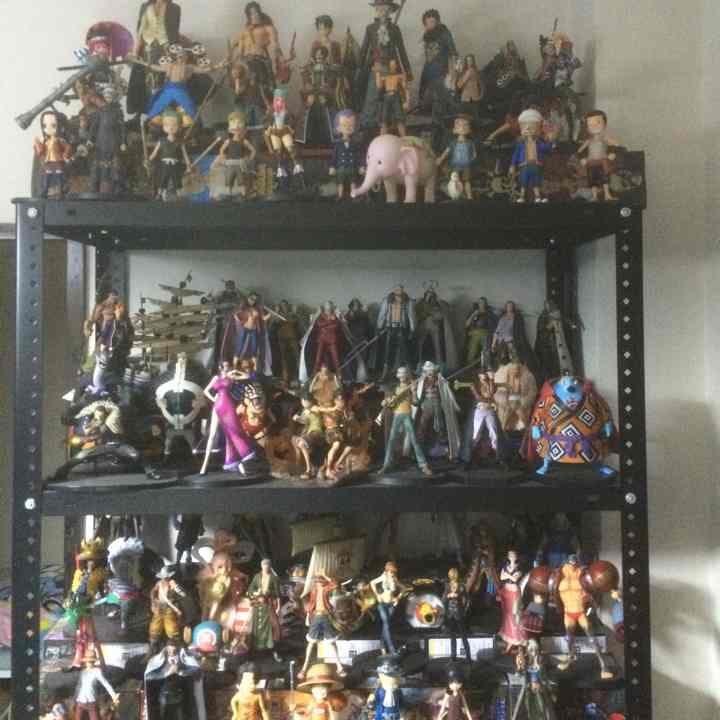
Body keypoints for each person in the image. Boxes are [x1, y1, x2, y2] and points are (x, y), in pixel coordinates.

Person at [356, 0, 412, 130]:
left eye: (386, 9)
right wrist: (359, 68)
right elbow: (364, 49)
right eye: (380, 9)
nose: (383, 12)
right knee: (373, 96)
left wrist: (407, 71)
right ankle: (368, 125)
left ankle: (391, 124)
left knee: (393, 97)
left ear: (390, 11)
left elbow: (401, 50)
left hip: (392, 68)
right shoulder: (370, 28)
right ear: (376, 9)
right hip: (377, 67)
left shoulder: (395, 29)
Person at [379, 366, 432, 477]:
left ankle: (423, 465)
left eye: (404, 373)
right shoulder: (395, 388)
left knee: (414, 440)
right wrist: (385, 402)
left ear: (407, 375)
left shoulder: (411, 387)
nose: (402, 375)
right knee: (391, 441)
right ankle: (386, 464)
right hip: (397, 415)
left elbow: (416, 403)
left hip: (407, 415)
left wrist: (414, 392)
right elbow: (389, 402)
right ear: (398, 375)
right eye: (400, 373)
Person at [298, 571, 345, 679]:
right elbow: (309, 601)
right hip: (316, 617)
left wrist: (325, 575)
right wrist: (308, 612)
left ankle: (339, 666)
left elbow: (335, 584)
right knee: (311, 643)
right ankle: (304, 668)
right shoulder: (313, 589)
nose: (319, 583)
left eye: (320, 581)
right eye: (317, 581)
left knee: (332, 642)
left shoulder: (326, 588)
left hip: (326, 616)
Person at [418, 9, 458, 125]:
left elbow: (453, 52)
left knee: (440, 96)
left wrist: (453, 72)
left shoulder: (444, 33)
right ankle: (432, 120)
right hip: (429, 69)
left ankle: (439, 122)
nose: (430, 25)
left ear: (438, 22)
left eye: (433, 22)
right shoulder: (427, 35)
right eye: (427, 23)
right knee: (425, 95)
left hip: (442, 69)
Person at [576, 110, 622, 202]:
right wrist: (582, 159)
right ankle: (594, 196)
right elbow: (579, 151)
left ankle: (607, 195)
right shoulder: (588, 141)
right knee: (593, 180)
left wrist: (612, 153)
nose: (594, 126)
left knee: (605, 178)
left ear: (604, 124)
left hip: (602, 162)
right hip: (591, 163)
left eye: (598, 122)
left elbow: (617, 144)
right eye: (590, 124)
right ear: (587, 128)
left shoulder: (605, 138)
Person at [370, 561, 410, 655]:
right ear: (387, 571)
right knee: (387, 624)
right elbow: (372, 583)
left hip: (391, 605)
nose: (392, 573)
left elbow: (404, 588)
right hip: (382, 604)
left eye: (394, 572)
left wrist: (398, 598)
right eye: (391, 571)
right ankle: (392, 649)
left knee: (386, 625)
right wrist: (377, 595)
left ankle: (382, 646)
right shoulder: (383, 577)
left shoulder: (394, 579)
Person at [248, 559, 281, 658]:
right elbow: (250, 589)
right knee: (255, 627)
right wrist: (256, 593)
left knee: (275, 626)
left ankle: (274, 650)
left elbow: (278, 594)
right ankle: (256, 649)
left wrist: (278, 607)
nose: (266, 567)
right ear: (261, 566)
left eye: (267, 566)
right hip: (257, 606)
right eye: (264, 565)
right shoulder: (257, 577)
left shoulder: (274, 578)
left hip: (269, 605)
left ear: (270, 566)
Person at [74, 654, 119, 720]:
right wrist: (75, 697)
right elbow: (79, 686)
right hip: (80, 701)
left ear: (93, 662)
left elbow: (105, 684)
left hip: (91, 701)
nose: (89, 664)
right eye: (88, 662)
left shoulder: (97, 671)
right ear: (85, 662)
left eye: (91, 662)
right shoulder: (83, 672)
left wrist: (113, 696)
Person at [442, 569, 471, 662]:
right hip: (450, 614)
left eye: (454, 575)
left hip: (459, 614)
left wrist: (464, 610)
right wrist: (448, 596)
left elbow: (467, 599)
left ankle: (468, 657)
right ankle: (453, 657)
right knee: (452, 637)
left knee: (463, 636)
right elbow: (443, 600)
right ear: (450, 575)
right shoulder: (447, 586)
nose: (453, 576)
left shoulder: (461, 586)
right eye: (452, 575)